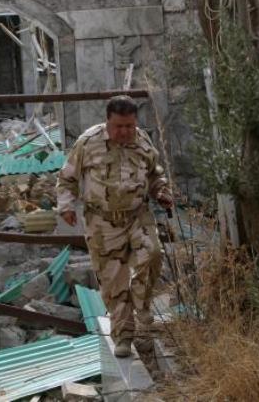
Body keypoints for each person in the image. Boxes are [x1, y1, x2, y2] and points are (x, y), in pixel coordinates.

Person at [56, 95, 173, 357]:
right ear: (107, 122)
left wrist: (161, 192)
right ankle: (123, 336)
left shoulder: (142, 141)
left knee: (152, 254)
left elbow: (155, 174)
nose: (125, 132)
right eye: (119, 126)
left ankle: (143, 319)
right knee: (113, 281)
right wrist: (65, 207)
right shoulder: (88, 142)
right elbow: (66, 179)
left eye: (130, 126)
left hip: (137, 215)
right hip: (102, 222)